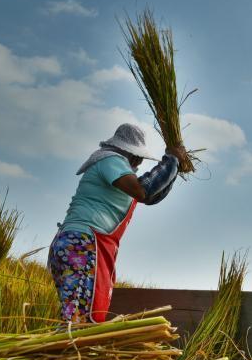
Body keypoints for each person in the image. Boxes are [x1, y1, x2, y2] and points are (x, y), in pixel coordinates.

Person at [48, 123, 188, 324]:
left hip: (84, 244)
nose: (139, 162)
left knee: (81, 314)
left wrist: (174, 168)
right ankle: (69, 352)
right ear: (127, 151)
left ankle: (71, 352)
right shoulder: (110, 160)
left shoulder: (117, 171)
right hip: (81, 245)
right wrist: (171, 159)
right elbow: (143, 190)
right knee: (79, 318)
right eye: (137, 156)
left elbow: (151, 196)